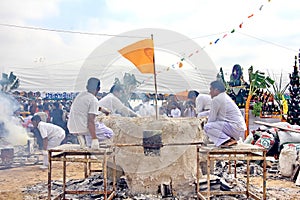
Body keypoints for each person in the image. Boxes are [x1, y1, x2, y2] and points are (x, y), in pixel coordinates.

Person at [203, 80, 246, 147]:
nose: (209, 92)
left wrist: (204, 137)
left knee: (207, 127)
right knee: (212, 125)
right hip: (239, 129)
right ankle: (228, 139)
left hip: (235, 128)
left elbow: (211, 119)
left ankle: (227, 140)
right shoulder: (224, 97)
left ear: (216, 90)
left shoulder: (217, 99)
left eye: (211, 90)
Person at [67, 77, 103, 149]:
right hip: (84, 129)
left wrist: (102, 109)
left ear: (86, 87)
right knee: (109, 132)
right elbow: (90, 121)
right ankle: (92, 143)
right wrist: (94, 139)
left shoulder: (80, 95)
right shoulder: (93, 100)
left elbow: (84, 108)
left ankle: (82, 140)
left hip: (72, 127)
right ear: (99, 89)